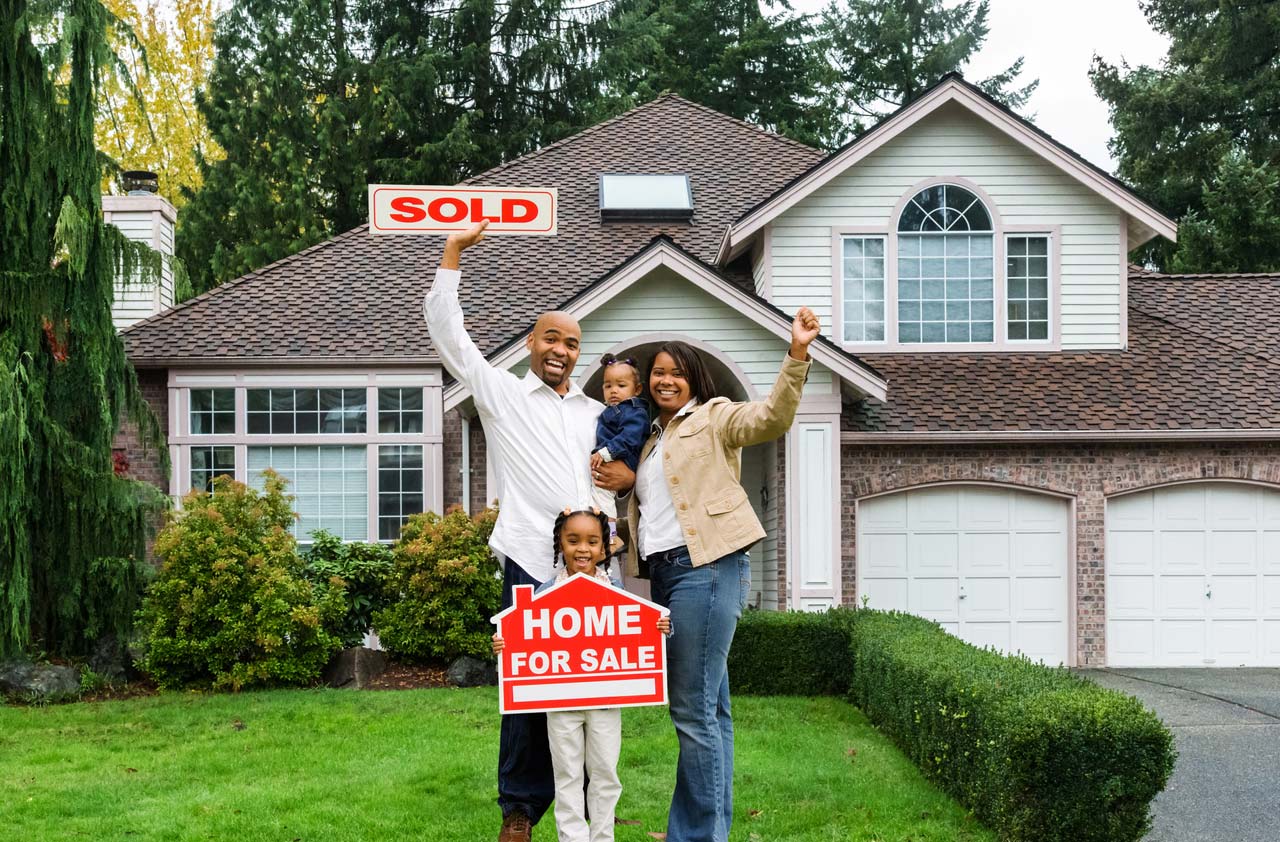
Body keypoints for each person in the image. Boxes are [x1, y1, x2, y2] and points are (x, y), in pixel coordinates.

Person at [424, 220, 635, 842]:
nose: (560, 350)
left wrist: (616, 530)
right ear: (530, 343)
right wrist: (452, 256)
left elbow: (613, 482)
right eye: (550, 339)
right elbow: (450, 337)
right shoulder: (502, 396)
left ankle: (597, 814)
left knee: (598, 692)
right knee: (527, 692)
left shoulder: (600, 414)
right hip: (529, 559)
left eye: (571, 342)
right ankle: (519, 810)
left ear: (578, 352)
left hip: (597, 566)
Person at [623, 309, 820, 842]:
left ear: (693, 379)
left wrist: (797, 353)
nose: (665, 379)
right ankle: (708, 829)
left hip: (706, 567)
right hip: (665, 575)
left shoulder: (714, 416)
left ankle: (698, 835)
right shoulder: (647, 439)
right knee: (712, 710)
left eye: (676, 372)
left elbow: (772, 418)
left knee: (691, 710)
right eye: (657, 372)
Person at [493, 508, 671, 842]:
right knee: (567, 774)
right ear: (560, 545)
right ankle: (571, 837)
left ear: (605, 548)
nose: (582, 548)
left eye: (592, 541)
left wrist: (660, 627)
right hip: (560, 703)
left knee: (604, 772)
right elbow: (522, 637)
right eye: (573, 540)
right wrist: (505, 643)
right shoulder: (544, 593)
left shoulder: (617, 593)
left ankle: (603, 836)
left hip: (606, 702)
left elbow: (640, 632)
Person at [589, 354, 650, 552]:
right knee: (598, 499)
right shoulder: (611, 410)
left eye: (621, 386)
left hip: (621, 459)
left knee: (603, 498)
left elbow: (631, 437)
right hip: (611, 458)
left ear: (637, 389)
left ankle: (612, 538)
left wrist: (606, 452)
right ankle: (606, 534)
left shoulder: (633, 411)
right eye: (608, 386)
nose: (614, 390)